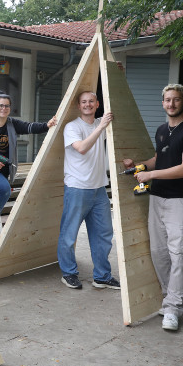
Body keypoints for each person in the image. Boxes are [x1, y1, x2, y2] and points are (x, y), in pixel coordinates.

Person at [123, 84, 183, 331]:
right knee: (159, 253)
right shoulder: (161, 130)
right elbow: (159, 158)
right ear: (162, 103)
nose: (171, 104)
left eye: (176, 100)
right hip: (157, 199)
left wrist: (151, 176)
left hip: (182, 201)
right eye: (167, 100)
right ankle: (170, 298)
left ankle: (173, 309)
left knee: (179, 253)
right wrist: (140, 166)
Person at [0, 90, 57, 239]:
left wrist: (46, 125)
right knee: (4, 190)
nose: (4, 108)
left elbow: (29, 127)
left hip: (3, 170)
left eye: (7, 106)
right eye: (0, 105)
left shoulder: (12, 124)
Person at [57, 91, 119, 290]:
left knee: (103, 234)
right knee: (69, 235)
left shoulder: (102, 122)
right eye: (84, 102)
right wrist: (101, 126)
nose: (87, 105)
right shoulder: (72, 127)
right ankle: (69, 274)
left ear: (97, 104)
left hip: (99, 188)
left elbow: (115, 100)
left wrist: (118, 71)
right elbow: (82, 148)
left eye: (91, 101)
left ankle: (102, 276)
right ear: (78, 106)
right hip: (77, 188)